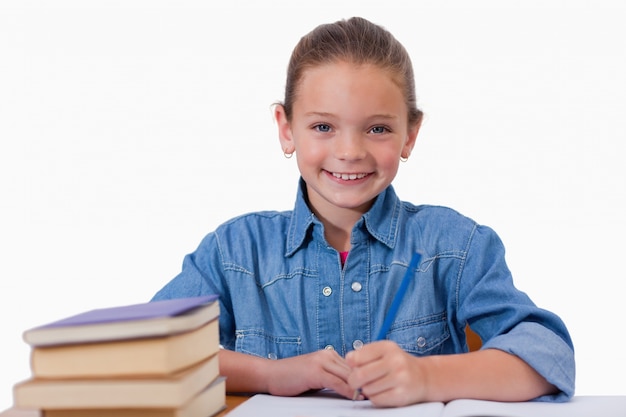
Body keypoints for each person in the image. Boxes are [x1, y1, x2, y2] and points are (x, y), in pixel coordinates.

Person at [152, 16, 575, 407]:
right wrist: (269, 374)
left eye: (377, 129)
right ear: (286, 129)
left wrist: (425, 376)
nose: (350, 152)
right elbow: (151, 351)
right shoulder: (235, 252)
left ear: (410, 134)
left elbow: (548, 355)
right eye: (323, 127)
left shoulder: (454, 246)